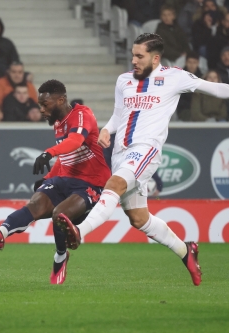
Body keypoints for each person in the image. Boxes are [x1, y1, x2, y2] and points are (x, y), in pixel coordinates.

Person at [55, 33, 229, 286]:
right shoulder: (123, 80)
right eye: (132, 55)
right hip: (120, 151)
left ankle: (80, 232)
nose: (133, 60)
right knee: (138, 218)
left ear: (155, 58)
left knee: (114, 184)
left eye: (139, 56)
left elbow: (214, 88)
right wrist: (106, 129)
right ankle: (186, 252)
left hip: (147, 148)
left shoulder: (174, 77)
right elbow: (118, 114)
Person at [0, 80, 111, 285]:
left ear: (61, 100)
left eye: (45, 104)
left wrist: (47, 152)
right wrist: (49, 178)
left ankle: (60, 255)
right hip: (64, 179)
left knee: (60, 214)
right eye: (40, 105)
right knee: (35, 203)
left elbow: (75, 142)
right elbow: (67, 156)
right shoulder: (58, 122)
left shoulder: (81, 114)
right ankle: (0, 232)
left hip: (91, 183)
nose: (41, 109)